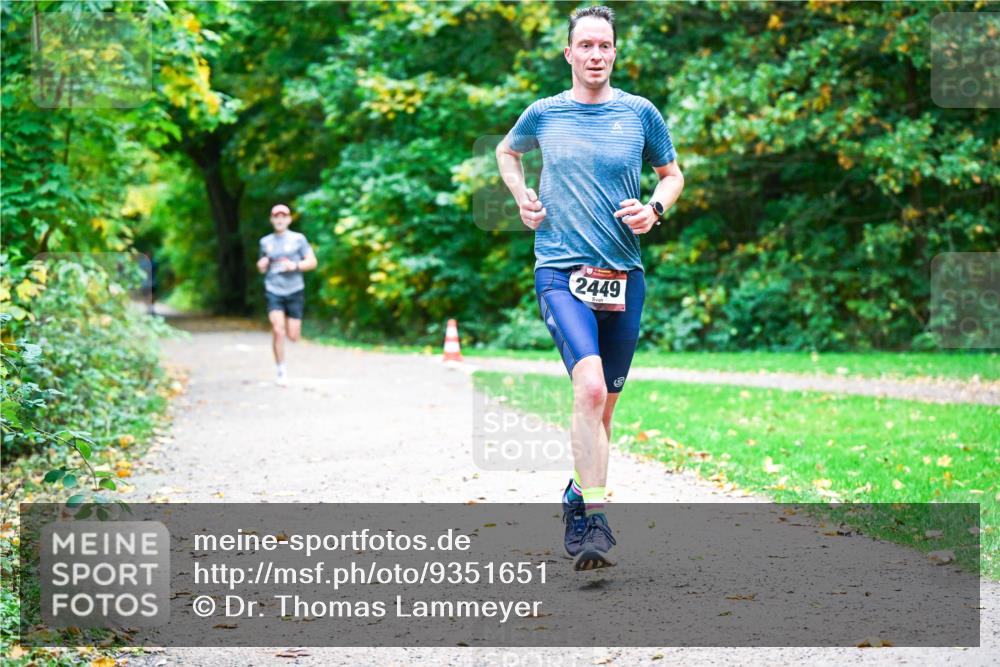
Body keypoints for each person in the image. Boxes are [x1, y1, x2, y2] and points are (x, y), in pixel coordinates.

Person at [496, 5, 684, 570]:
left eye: (605, 46)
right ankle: (595, 522)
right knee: (591, 390)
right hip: (560, 271)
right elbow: (508, 152)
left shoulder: (640, 114)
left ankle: (578, 494)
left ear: (615, 52)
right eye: (587, 46)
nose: (596, 55)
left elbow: (672, 176)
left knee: (602, 414)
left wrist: (654, 210)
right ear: (569, 53)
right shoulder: (544, 114)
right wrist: (521, 196)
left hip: (624, 276)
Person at [256, 204, 318, 386]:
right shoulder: (265, 242)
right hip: (273, 289)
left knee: (293, 336)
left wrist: (296, 266)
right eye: (276, 216)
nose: (280, 219)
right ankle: (281, 370)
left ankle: (289, 341)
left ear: (289, 219)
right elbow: (261, 266)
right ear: (271, 220)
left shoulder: (298, 239)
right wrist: (261, 265)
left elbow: (312, 262)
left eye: (283, 216)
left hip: (295, 290)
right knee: (277, 330)